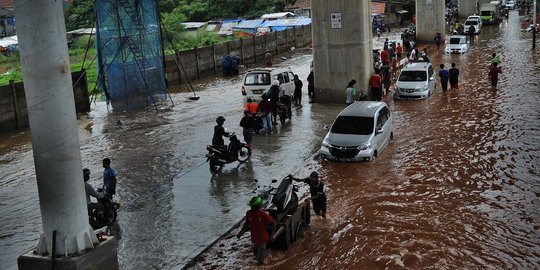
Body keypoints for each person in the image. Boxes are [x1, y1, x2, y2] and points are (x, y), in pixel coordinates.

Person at [236, 196, 276, 265]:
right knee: (255, 253)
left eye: (253, 207)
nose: (251, 208)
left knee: (260, 260)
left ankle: (261, 264)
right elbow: (246, 224)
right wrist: (241, 232)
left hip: (262, 239)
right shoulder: (248, 213)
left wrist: (272, 236)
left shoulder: (263, 214)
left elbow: (274, 223)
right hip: (254, 239)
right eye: (251, 206)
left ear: (258, 207)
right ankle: (263, 255)